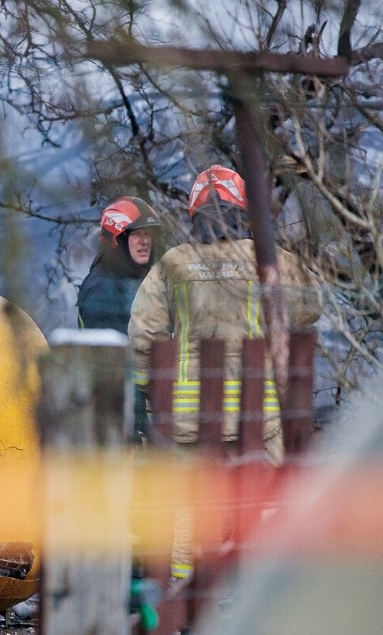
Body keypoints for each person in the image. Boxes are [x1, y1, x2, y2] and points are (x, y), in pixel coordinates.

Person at [127, 164, 321, 585]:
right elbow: (310, 308)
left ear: (195, 213)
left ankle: (185, 606)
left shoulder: (173, 264)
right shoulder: (270, 261)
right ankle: (256, 607)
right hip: (260, 418)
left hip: (190, 422)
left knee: (187, 515)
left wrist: (150, 398)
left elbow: (143, 335)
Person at [77, 196, 162, 334]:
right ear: (118, 241)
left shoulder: (140, 277)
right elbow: (111, 351)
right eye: (136, 234)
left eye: (147, 234)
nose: (145, 241)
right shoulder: (103, 288)